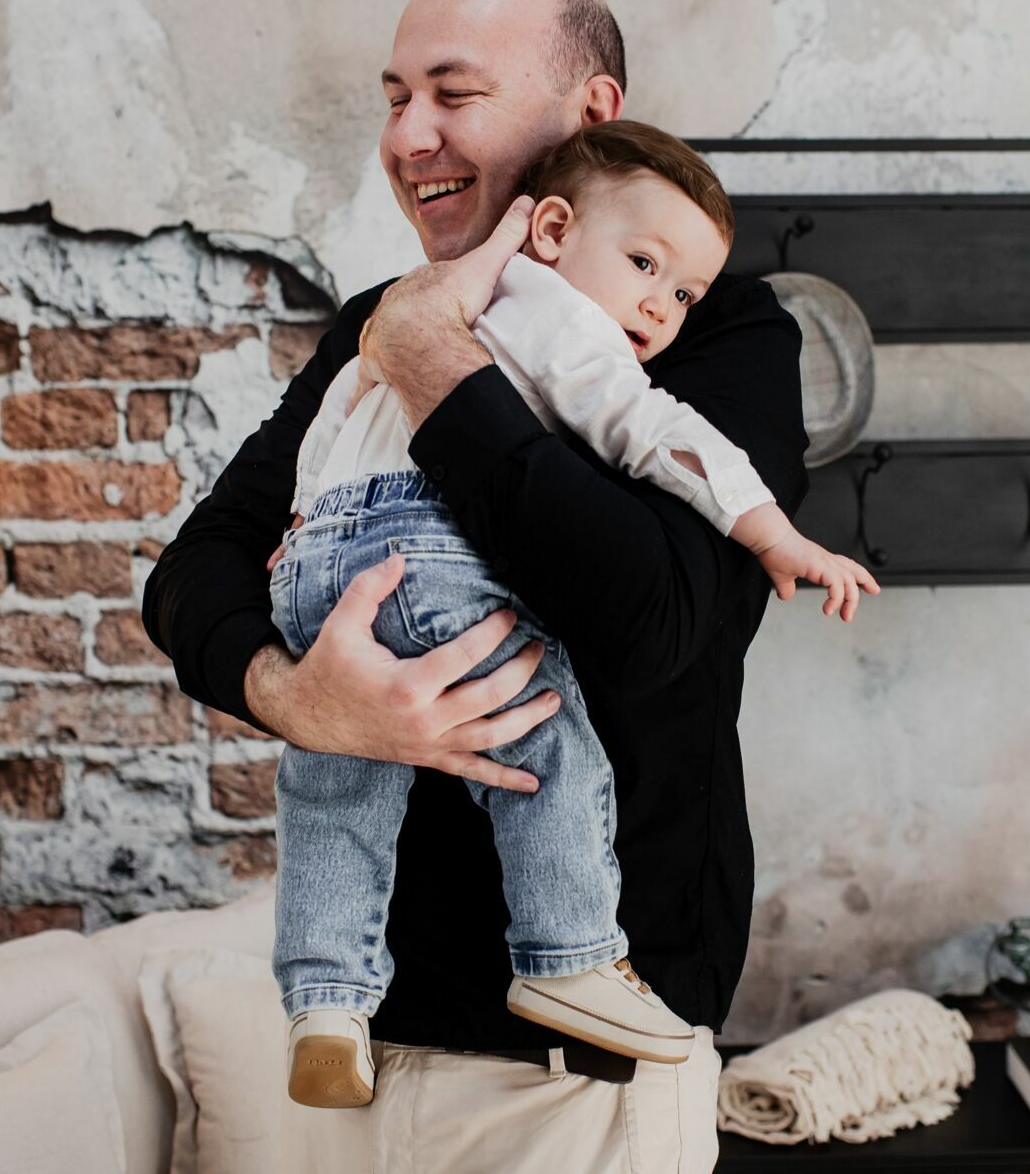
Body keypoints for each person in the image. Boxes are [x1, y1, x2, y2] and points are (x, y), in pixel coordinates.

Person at [142, 0, 810, 1173]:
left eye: (454, 94)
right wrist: (300, 696)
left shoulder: (713, 336)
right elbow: (197, 569)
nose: (410, 137)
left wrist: (436, 361)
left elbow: (658, 618)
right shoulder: (372, 323)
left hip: (577, 1087)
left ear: (591, 117)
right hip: (360, 1053)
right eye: (395, 96)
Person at [270, 120, 876, 1110]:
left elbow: (333, 419)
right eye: (643, 263)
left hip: (321, 558)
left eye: (681, 292)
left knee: (336, 783)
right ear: (549, 228)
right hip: (427, 555)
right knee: (543, 737)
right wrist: (773, 534)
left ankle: (326, 997)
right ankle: (568, 955)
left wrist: (297, 539)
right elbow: (651, 431)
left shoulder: (405, 312)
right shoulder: (554, 311)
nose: (659, 302)